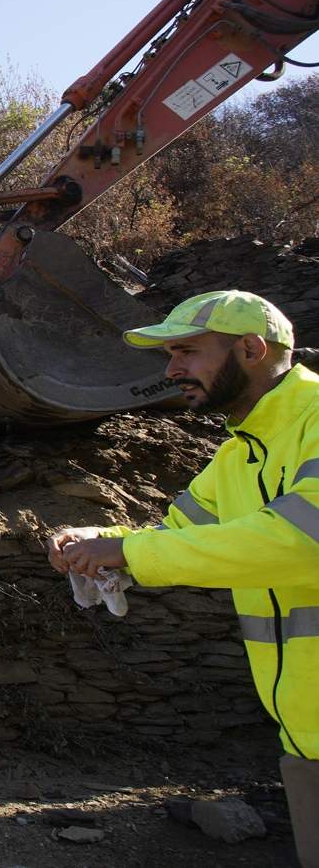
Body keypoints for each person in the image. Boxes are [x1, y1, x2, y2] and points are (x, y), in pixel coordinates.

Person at [47, 290, 317, 865]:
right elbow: (171, 536)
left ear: (250, 348)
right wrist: (94, 544)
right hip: (304, 741)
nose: (171, 370)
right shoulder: (237, 457)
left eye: (188, 352)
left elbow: (303, 540)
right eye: (170, 355)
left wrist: (127, 552)